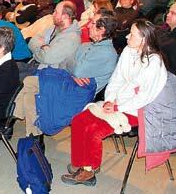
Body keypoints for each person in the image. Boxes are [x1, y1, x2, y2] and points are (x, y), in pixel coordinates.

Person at [61, 19, 168, 186]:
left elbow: (144, 98)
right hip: (118, 102)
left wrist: (118, 106)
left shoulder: (154, 62)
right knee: (79, 120)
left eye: (132, 34)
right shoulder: (128, 51)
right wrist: (110, 99)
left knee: (94, 130)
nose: (127, 37)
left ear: (144, 39)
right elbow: (116, 79)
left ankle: (89, 171)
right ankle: (81, 162)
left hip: (137, 110)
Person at [13, 10, 118, 137]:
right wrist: (74, 72)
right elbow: (65, 63)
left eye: (93, 23)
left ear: (102, 29)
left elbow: (77, 68)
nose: (88, 25)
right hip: (69, 82)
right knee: (30, 90)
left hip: (78, 94)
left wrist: (74, 68)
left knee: (29, 82)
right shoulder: (88, 45)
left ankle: (13, 118)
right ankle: (33, 135)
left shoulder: (108, 53)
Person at [17, 1, 80, 80]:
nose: (53, 14)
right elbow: (32, 41)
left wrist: (40, 46)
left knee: (8, 77)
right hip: (33, 63)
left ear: (65, 16)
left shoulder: (71, 38)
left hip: (43, 73)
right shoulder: (55, 27)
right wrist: (43, 47)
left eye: (56, 12)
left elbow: (47, 58)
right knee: (6, 67)